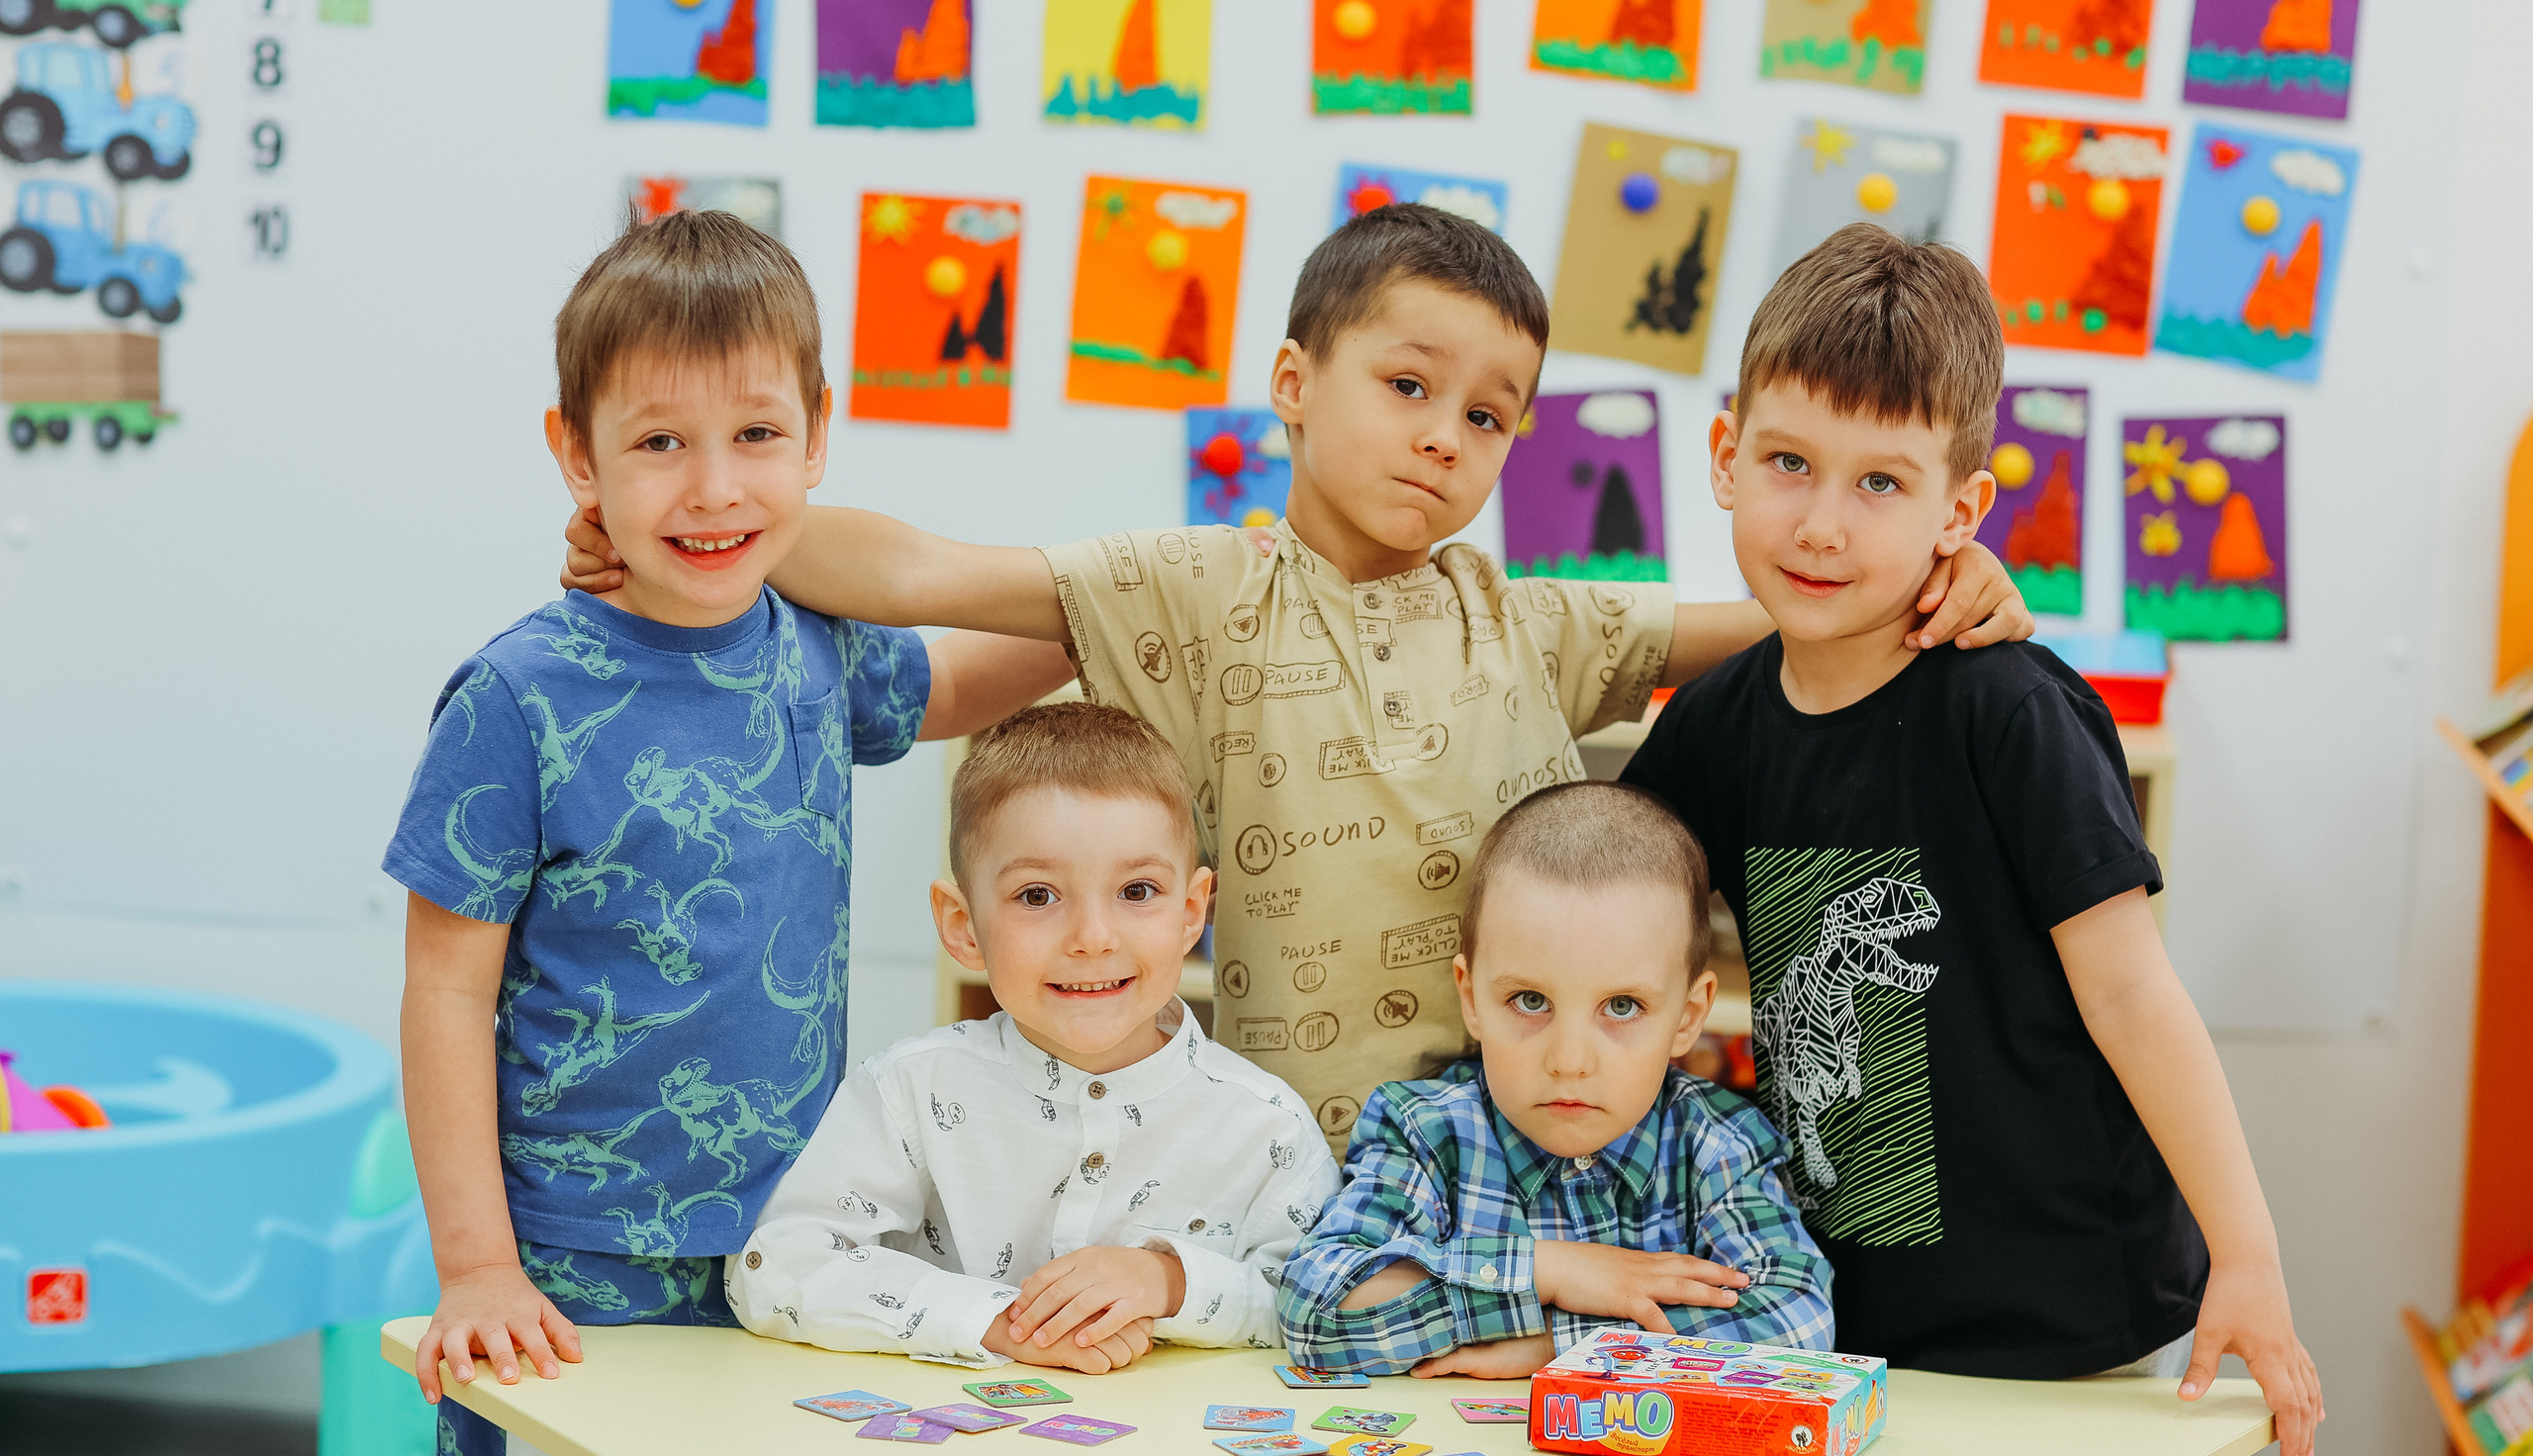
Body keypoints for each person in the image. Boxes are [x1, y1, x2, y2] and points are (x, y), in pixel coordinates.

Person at [560, 203, 2036, 1158]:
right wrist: (696, 520)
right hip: (1301, 1163)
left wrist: (1937, 581)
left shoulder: (1524, 617)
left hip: (1547, 1148)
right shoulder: (1195, 588)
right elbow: (925, 572)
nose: (1445, 435)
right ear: (1292, 384)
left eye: (1488, 414)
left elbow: (1778, 614)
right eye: (1407, 386)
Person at [1618, 224, 2324, 1456]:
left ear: (1962, 506)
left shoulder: (2014, 709)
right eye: (1789, 465)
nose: (1823, 523)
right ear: (1723, 455)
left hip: (2048, 1307)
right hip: (1835, 1293)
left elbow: (2134, 995)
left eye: (1881, 482)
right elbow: (1614, 933)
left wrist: (2249, 1251)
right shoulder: (1718, 728)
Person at [384, 211, 1068, 1456]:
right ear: (576, 453)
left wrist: (1137, 609)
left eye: (757, 435)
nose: (713, 488)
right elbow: (445, 991)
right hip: (563, 1269)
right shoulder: (518, 697)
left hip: (785, 1251)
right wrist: (477, 1264)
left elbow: (946, 685)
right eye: (657, 444)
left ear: (821, 431)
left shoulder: (821, 648)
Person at [730, 699, 1340, 1370]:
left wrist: (1167, 1282)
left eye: (1137, 891)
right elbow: (773, 1264)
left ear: (1192, 912)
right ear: (963, 924)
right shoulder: (910, 1088)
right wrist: (993, 1321)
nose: (1093, 939)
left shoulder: (1269, 1126)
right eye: (1038, 896)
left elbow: (1324, 1303)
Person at [1276, 779, 1832, 1379]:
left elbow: (1797, 1321)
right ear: (1471, 998)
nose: (1569, 1060)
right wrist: (1552, 1271)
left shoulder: (1719, 1144)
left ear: (1687, 1017)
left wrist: (1563, 1345)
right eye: (1530, 999)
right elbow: (1318, 1310)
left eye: (1621, 1006)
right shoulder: (1425, 1130)